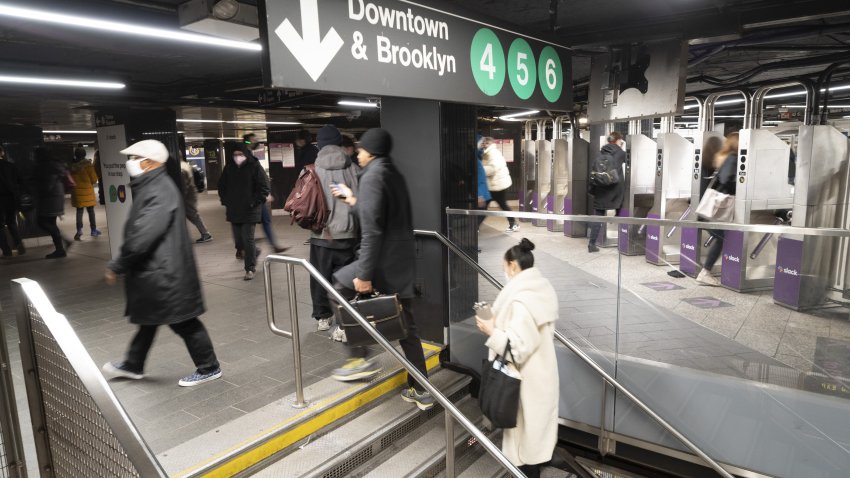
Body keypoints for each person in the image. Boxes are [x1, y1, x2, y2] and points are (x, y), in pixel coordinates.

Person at [101, 139, 222, 387]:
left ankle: (209, 367)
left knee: (183, 321)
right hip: (158, 269)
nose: (131, 163)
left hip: (166, 272)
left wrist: (118, 264)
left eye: (135, 158)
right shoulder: (153, 186)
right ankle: (134, 364)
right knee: (149, 319)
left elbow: (143, 235)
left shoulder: (159, 190)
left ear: (149, 162)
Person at [329, 128, 434, 411]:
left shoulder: (374, 176)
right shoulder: (390, 172)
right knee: (406, 328)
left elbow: (373, 230)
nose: (358, 154)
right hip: (400, 263)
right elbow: (378, 213)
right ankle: (422, 389)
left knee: (338, 286)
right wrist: (353, 201)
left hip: (383, 262)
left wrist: (364, 274)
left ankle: (359, 358)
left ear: (371, 151)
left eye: (361, 150)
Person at [475, 238, 558, 478]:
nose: (503, 271)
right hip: (540, 378)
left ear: (513, 265)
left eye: (504, 266)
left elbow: (517, 348)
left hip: (525, 384)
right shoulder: (539, 289)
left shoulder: (522, 300)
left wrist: (490, 329)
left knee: (524, 453)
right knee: (531, 445)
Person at [310, 125, 360, 333]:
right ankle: (343, 324)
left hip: (321, 234)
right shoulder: (353, 168)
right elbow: (360, 199)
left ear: (319, 144)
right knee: (345, 281)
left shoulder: (312, 169)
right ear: (340, 143)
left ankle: (323, 317)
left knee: (320, 277)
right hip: (348, 233)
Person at [218, 144, 270, 280]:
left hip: (250, 210)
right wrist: (225, 200)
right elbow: (221, 185)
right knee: (239, 242)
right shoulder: (229, 167)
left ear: (246, 154)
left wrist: (254, 201)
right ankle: (254, 251)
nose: (237, 157)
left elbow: (264, 186)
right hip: (234, 209)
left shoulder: (254, 166)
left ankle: (250, 269)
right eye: (235, 154)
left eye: (240, 154)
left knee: (247, 239)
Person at [697, 132, 739, 286]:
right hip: (718, 207)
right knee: (721, 238)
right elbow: (726, 178)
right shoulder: (733, 158)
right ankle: (705, 271)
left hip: (710, 206)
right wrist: (740, 186)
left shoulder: (720, 158)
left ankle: (707, 270)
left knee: (720, 237)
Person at [243, 133, 288, 253]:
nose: (257, 142)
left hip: (258, 196)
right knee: (250, 223)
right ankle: (243, 248)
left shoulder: (250, 156)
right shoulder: (244, 157)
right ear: (248, 142)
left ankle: (273, 245)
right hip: (253, 198)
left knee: (265, 220)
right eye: (254, 140)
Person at [587, 132, 627, 253]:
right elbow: (629, 160)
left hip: (600, 189)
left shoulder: (601, 152)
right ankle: (623, 241)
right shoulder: (620, 152)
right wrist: (623, 146)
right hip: (615, 190)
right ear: (618, 140)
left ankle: (592, 244)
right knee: (621, 210)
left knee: (598, 216)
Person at [34, 147, 72, 259]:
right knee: (51, 223)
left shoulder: (47, 166)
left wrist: (38, 190)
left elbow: (47, 185)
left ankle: (63, 244)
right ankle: (60, 249)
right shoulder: (55, 164)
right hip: (56, 197)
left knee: (41, 221)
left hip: (50, 199)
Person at [480, 136, 517, 232]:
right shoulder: (486, 153)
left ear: (491, 144)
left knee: (498, 205)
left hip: (498, 186)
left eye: (487, 143)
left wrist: (480, 170)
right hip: (493, 185)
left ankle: (514, 224)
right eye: (484, 142)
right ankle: (514, 224)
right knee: (484, 207)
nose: (484, 144)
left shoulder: (493, 153)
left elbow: (492, 169)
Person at [68, 147, 101, 241]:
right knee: (91, 211)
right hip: (87, 192)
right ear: (84, 155)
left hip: (76, 192)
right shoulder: (88, 165)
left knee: (79, 212)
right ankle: (93, 230)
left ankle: (79, 230)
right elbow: (94, 180)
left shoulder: (72, 166)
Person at [0, 145, 26, 257]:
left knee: (0, 225)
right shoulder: (11, 166)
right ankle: (18, 243)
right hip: (11, 198)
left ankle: (6, 250)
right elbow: (21, 181)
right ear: (2, 152)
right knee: (11, 222)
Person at [180, 158, 212, 243]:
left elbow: (185, 184)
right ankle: (205, 234)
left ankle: (206, 234)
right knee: (191, 215)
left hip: (188, 195)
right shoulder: (184, 165)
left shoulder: (181, 167)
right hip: (191, 192)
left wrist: (181, 196)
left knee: (192, 215)